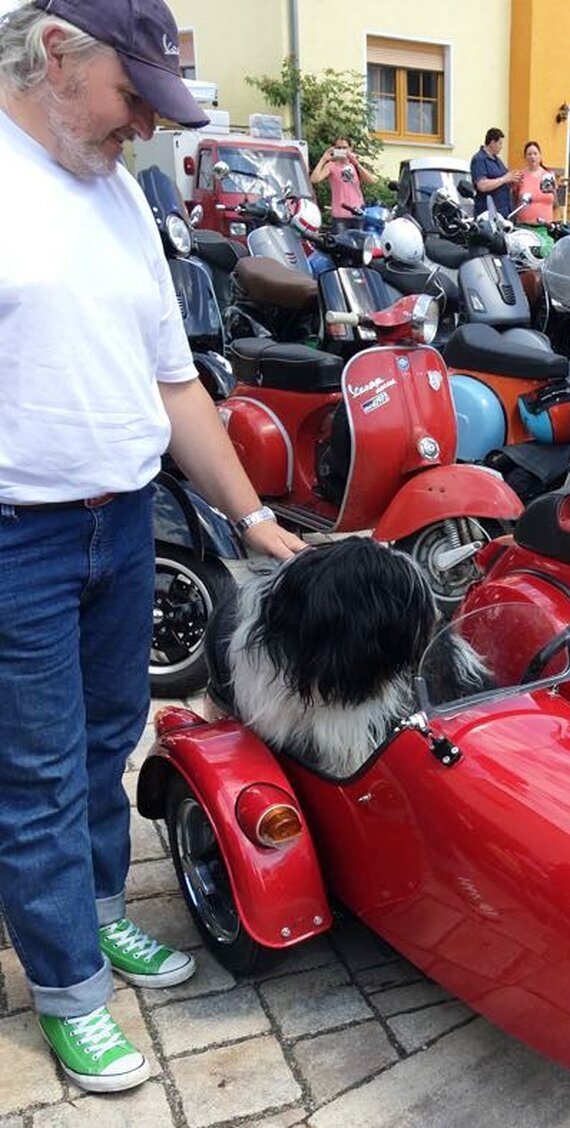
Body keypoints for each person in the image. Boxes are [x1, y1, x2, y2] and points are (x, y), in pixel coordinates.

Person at [0, 0, 306, 1095]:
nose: (142, 127)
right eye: (132, 97)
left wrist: (254, 517)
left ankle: (92, 917)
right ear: (52, 58)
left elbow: (175, 384)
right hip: (16, 536)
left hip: (122, 522)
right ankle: (72, 991)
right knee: (33, 773)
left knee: (104, 740)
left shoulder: (120, 195)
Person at [310, 136, 377, 232]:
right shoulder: (331, 166)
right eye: (338, 148)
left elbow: (371, 181)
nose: (341, 150)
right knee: (341, 245)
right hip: (340, 216)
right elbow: (314, 179)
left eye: (344, 148)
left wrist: (357, 164)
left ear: (350, 148)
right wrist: (324, 159)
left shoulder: (354, 165)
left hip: (357, 213)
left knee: (359, 244)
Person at [512, 139, 557, 257]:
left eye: (535, 153)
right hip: (524, 227)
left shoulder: (549, 175)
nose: (532, 157)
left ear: (540, 156)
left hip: (544, 228)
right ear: (525, 157)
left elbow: (556, 202)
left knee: (547, 252)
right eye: (529, 154)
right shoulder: (520, 176)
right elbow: (514, 198)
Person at [471, 126, 519, 217]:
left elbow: (505, 179)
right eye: (500, 143)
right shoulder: (479, 159)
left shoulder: (497, 160)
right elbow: (482, 185)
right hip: (489, 214)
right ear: (492, 142)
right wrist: (504, 179)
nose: (501, 147)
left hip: (503, 213)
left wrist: (512, 180)